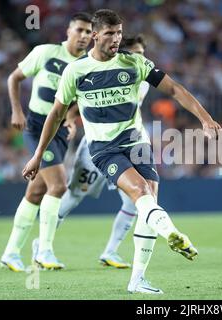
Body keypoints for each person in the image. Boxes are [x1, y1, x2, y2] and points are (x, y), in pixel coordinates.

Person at [22, 9, 222, 294]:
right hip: (104, 148)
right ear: (95, 36)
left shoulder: (135, 63)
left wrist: (205, 118)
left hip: (137, 143)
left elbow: (175, 89)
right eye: (109, 33)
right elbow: (56, 114)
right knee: (138, 192)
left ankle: (138, 279)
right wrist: (38, 154)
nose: (116, 38)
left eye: (118, 33)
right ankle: (171, 233)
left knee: (147, 200)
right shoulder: (76, 71)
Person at [32, 35, 150, 269]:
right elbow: (74, 103)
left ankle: (111, 251)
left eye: (142, 53)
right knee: (76, 194)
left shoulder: (142, 79)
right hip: (97, 148)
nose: (140, 57)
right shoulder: (106, 74)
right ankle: (41, 244)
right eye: (135, 52)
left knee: (134, 201)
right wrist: (71, 119)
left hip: (127, 147)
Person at [0, 12, 92, 272]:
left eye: (88, 32)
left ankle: (10, 252)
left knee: (36, 192)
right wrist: (17, 110)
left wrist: (72, 118)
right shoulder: (46, 52)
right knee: (59, 185)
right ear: (69, 31)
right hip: (37, 125)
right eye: (80, 30)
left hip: (60, 132)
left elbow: (78, 101)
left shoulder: (88, 64)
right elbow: (14, 78)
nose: (84, 36)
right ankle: (45, 250)